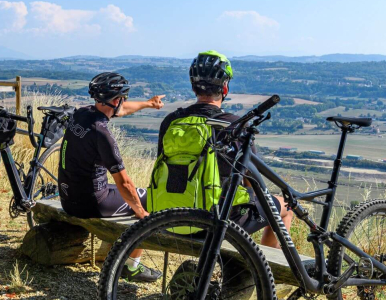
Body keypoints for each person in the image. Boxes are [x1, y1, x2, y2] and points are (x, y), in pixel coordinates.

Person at [158, 51, 294, 248]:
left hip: (170, 215)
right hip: (216, 220)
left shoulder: (171, 121)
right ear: (225, 87)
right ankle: (261, 270)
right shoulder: (233, 124)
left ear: (193, 87)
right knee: (286, 208)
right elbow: (252, 177)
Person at [58, 72, 164, 282]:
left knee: (130, 197)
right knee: (148, 200)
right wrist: (141, 213)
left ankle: (114, 249)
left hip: (67, 197)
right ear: (115, 100)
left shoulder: (82, 114)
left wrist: (149, 104)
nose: (123, 103)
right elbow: (124, 182)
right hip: (91, 203)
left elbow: (121, 110)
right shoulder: (102, 133)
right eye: (122, 98)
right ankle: (131, 267)